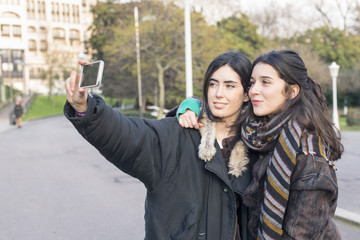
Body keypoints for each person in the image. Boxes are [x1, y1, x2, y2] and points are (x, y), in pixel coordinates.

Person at [64, 51, 255, 239]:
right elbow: (126, 134)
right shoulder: (175, 133)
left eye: (230, 86)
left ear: (246, 94)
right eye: (213, 84)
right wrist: (86, 109)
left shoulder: (256, 146)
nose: (218, 93)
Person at [177, 50, 343, 239]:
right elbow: (223, 107)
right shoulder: (259, 135)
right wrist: (191, 106)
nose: (254, 90)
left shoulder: (309, 157)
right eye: (252, 83)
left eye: (265, 82)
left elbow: (301, 234)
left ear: (292, 91)